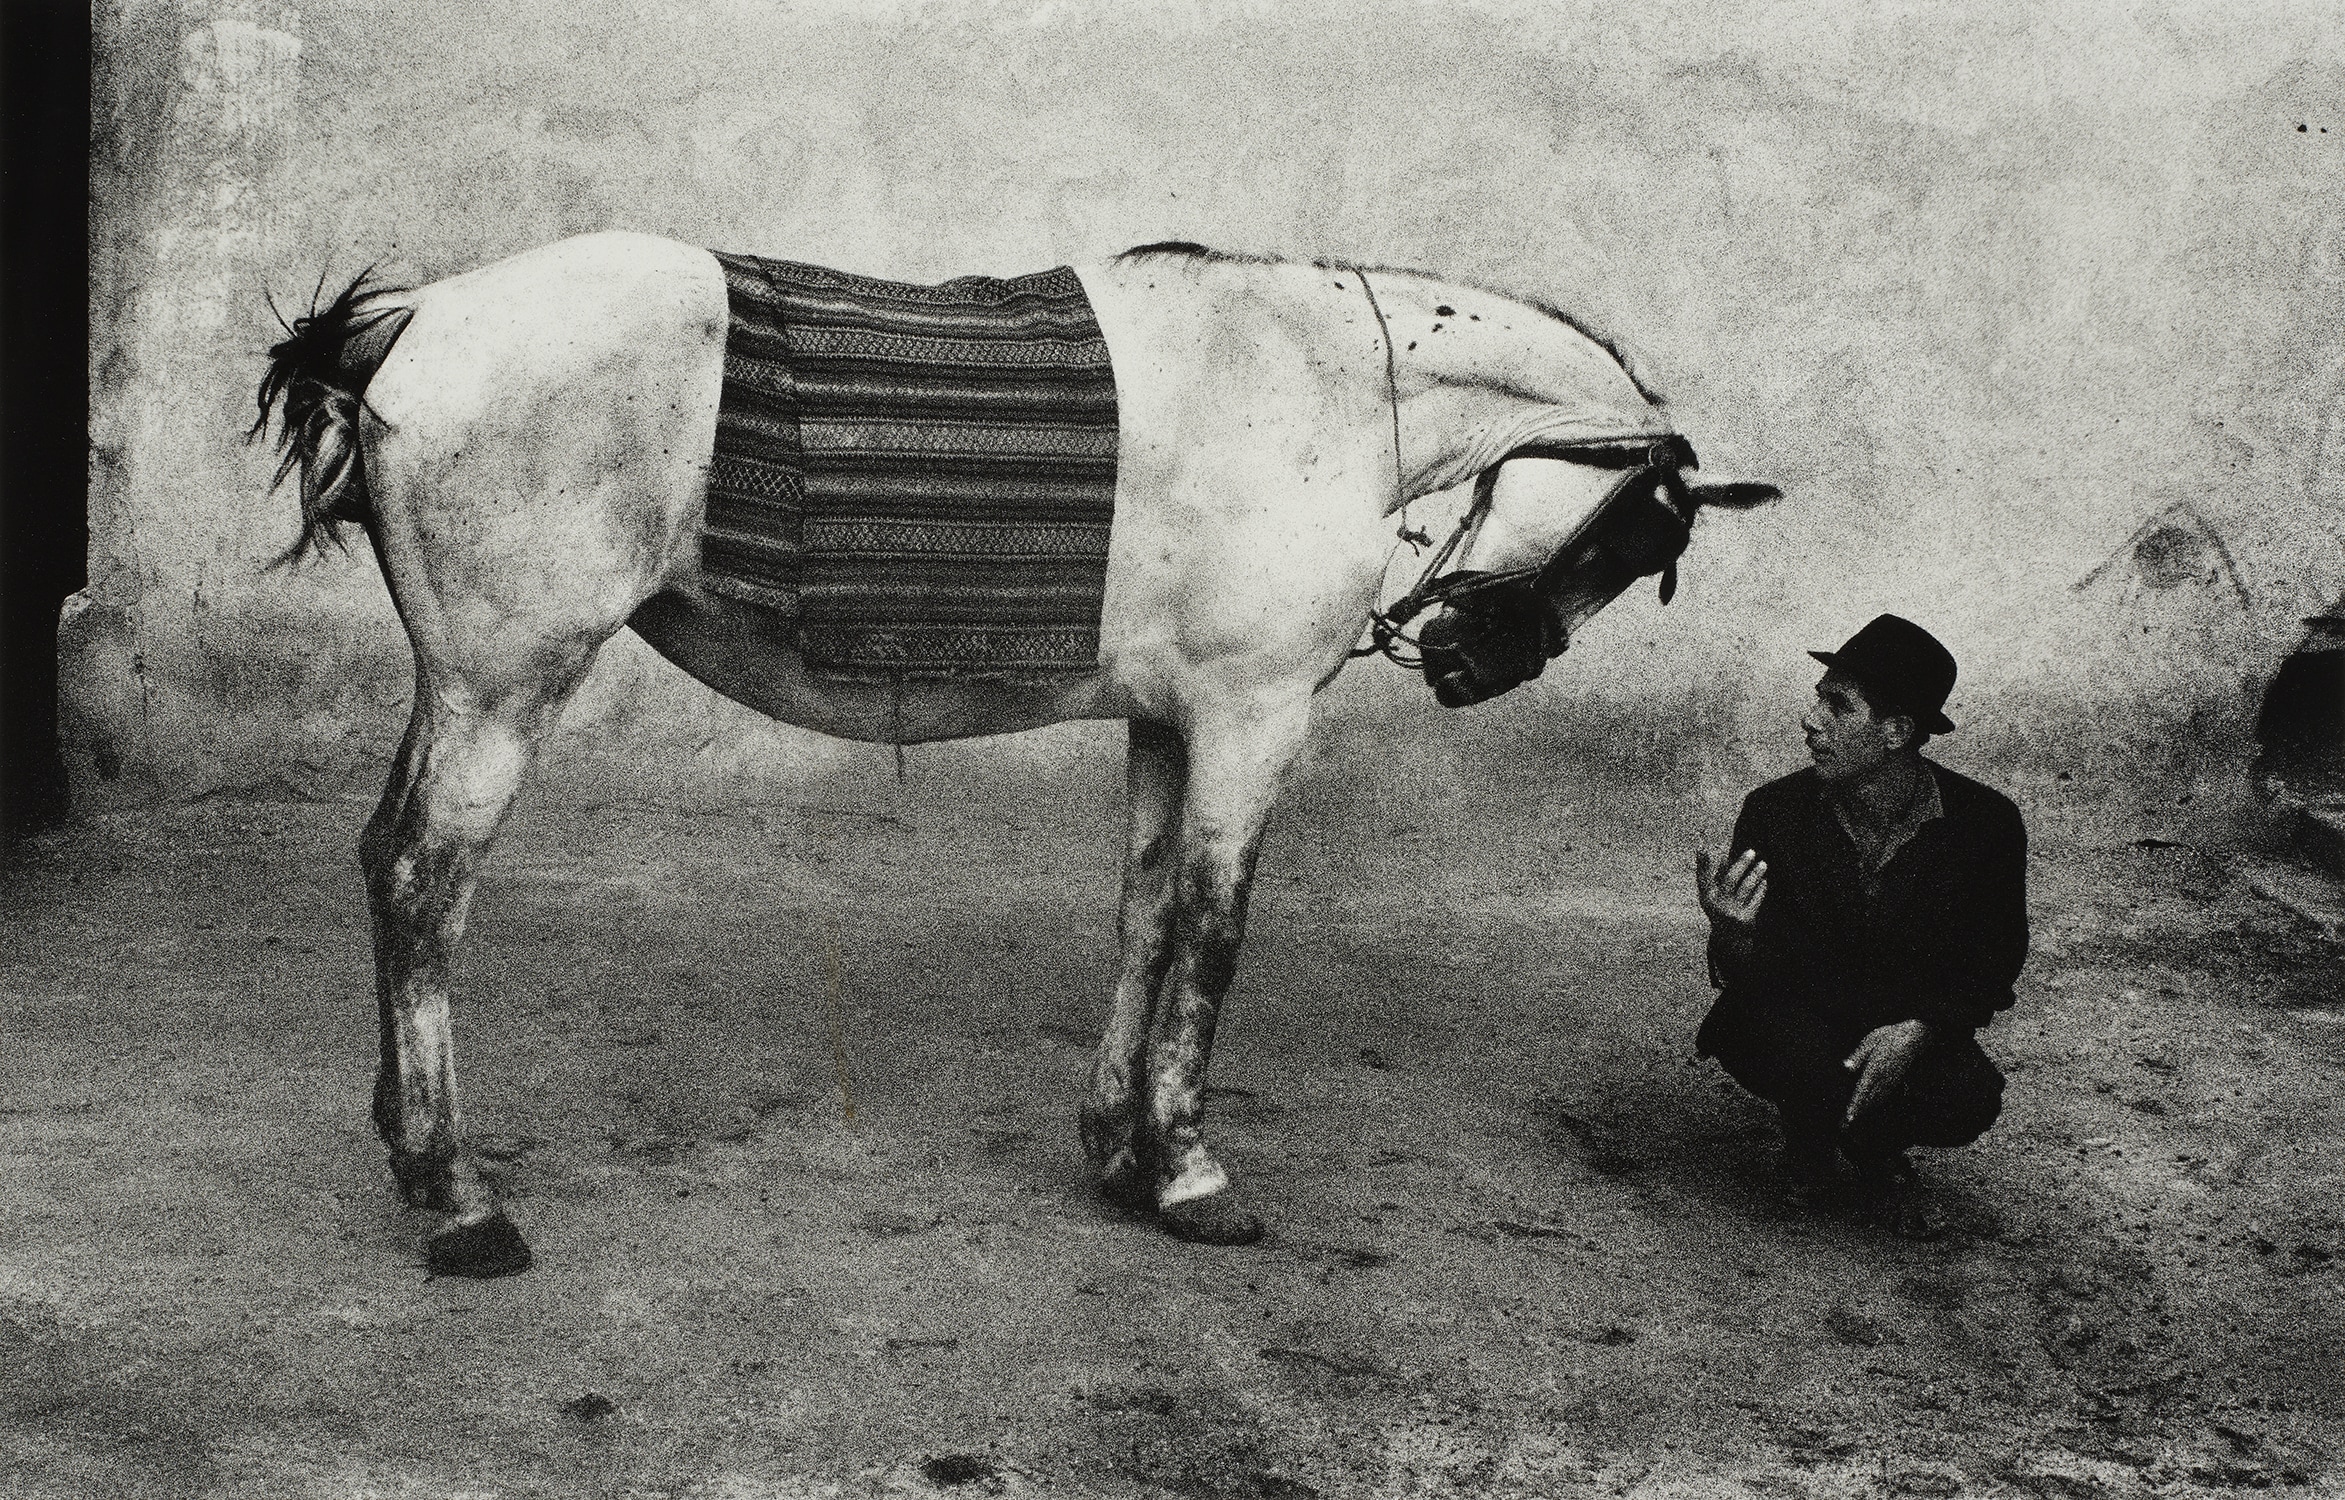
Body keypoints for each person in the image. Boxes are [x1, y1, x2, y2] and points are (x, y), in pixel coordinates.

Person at [1695, 614, 2027, 1226]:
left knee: (1965, 1097)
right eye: (1818, 697)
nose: (1810, 719)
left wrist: (1922, 1029)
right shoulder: (1775, 813)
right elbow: (1755, 978)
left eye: (1837, 706)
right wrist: (1732, 930)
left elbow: (1996, 956)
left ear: (1896, 731)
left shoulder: (1986, 825)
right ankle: (1809, 1146)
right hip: (1804, 1017)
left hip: (1903, 1020)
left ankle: (1875, 1142)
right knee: (1773, 1043)